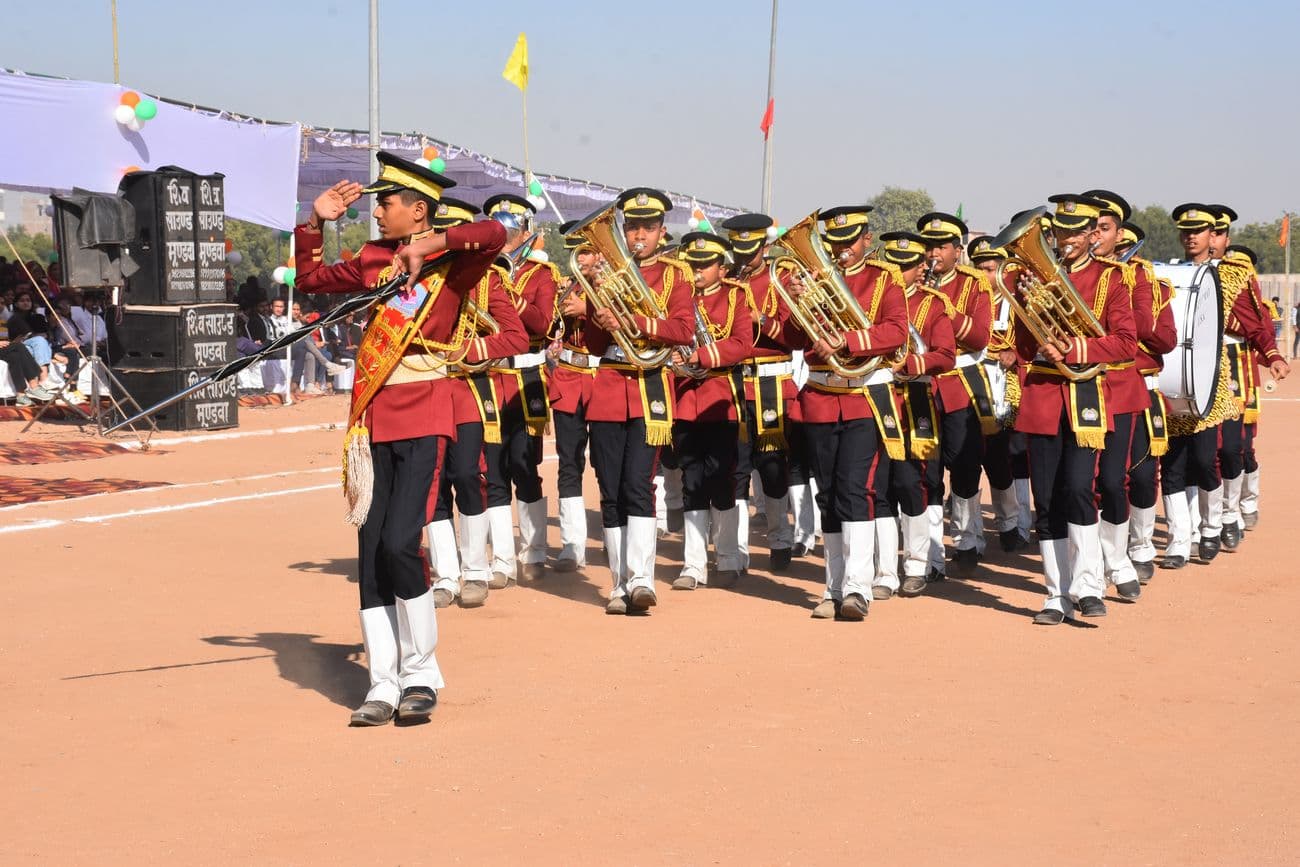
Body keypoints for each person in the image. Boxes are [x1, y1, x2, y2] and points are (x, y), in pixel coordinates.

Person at [293, 151, 506, 727]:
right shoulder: (370, 261)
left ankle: (421, 674)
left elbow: (495, 231)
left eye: (385, 203)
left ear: (417, 211)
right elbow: (311, 279)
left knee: (400, 542)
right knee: (371, 551)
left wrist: (430, 247)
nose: (377, 212)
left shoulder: (451, 267)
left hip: (425, 413)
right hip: (373, 417)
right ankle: (382, 683)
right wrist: (316, 222)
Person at [557, 188, 694, 615]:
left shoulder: (674, 275)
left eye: (647, 228)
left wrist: (631, 319)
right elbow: (598, 346)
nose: (638, 235)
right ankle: (618, 583)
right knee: (611, 488)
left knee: (639, 484)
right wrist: (591, 314)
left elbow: (683, 330)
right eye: (631, 226)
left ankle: (641, 579)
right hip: (611, 384)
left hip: (650, 383)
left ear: (660, 231)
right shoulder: (606, 272)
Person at [778, 205, 908, 621]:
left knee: (855, 490)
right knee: (828, 494)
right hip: (820, 396)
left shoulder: (884, 278)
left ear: (867, 240)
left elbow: (895, 332)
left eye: (848, 242)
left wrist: (847, 340)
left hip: (864, 398)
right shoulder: (810, 279)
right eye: (832, 243)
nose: (840, 251)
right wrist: (797, 304)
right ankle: (833, 587)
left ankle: (857, 588)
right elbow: (791, 337)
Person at [1013, 195, 1136, 625]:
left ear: (1089, 235)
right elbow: (1022, 344)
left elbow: (1125, 342)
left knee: (1080, 487)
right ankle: (1055, 594)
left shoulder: (1112, 279)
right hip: (1045, 391)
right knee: (1045, 498)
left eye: (1074, 233)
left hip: (1085, 393)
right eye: (1059, 232)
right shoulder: (1032, 278)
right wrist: (1034, 321)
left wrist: (1076, 347)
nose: (1065, 240)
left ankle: (1087, 584)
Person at [423, 197, 529, 609]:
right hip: (425, 390)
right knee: (431, 485)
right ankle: (445, 575)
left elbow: (517, 337)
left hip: (467, 390)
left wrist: (471, 347)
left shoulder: (489, 280)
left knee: (467, 474)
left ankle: (475, 570)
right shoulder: (417, 277)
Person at [1081, 189, 1166, 601]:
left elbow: (1144, 326)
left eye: (1104, 228)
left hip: (1119, 387)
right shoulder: (1065, 272)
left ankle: (1118, 558)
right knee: (1080, 484)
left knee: (1116, 481)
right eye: (1090, 228)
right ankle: (1091, 568)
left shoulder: (1137, 275)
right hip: (1075, 389)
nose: (1096, 235)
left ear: (1119, 234)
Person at [480, 193, 560, 586]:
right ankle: (502, 561)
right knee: (493, 472)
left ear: (527, 233)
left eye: (511, 231)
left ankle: (535, 551)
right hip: (492, 378)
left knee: (524, 468)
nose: (506, 238)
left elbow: (542, 324)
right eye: (499, 231)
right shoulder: (480, 272)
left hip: (527, 378)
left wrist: (509, 294)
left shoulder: (542, 275)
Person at [668, 231, 754, 590]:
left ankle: (730, 556)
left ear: (722, 267)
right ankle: (693, 564)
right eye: (693, 264)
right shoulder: (679, 298)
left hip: (721, 399)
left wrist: (701, 356)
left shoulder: (736, 296)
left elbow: (742, 344)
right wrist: (671, 356)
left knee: (724, 478)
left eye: (705, 264)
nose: (697, 270)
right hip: (686, 399)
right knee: (691, 482)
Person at [873, 231, 956, 599]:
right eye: (892, 265)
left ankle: (918, 564)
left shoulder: (933, 304)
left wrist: (911, 362)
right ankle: (885, 569)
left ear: (920, 268)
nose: (897, 273)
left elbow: (946, 355)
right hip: (877, 397)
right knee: (879, 486)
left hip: (915, 398)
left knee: (912, 483)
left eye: (905, 267)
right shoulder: (872, 301)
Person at [915, 212, 995, 580]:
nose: (933, 254)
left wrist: (945, 308)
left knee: (964, 468)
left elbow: (979, 338)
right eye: (929, 246)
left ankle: (965, 539)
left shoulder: (975, 283)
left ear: (957, 251)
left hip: (961, 381)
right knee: (926, 470)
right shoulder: (912, 282)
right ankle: (931, 554)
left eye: (941, 247)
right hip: (923, 383)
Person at [722, 212, 800, 573]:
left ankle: (780, 538)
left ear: (764, 247)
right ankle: (736, 551)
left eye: (750, 250)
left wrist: (761, 320)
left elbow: (794, 335)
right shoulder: (729, 280)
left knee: (772, 467)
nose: (743, 258)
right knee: (735, 467)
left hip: (771, 381)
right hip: (736, 379)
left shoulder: (780, 278)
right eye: (738, 250)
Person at [1114, 222, 1177, 583]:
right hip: (1099, 387)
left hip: (1142, 386)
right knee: (1105, 478)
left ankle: (1140, 546)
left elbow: (1166, 340)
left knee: (1140, 475)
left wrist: (1131, 315)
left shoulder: (1154, 287)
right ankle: (1112, 549)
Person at [968, 237, 1032, 552]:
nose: (983, 275)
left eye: (990, 269)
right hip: (971, 386)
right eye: (978, 268)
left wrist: (1015, 353)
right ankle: (971, 533)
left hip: (1006, 390)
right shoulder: (964, 299)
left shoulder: (1017, 301)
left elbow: (1036, 338)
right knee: (969, 459)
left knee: (1001, 458)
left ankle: (1009, 524)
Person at [548, 222, 601, 572]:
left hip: (603, 378)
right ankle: (572, 544)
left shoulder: (612, 289)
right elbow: (548, 327)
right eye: (578, 253)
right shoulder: (564, 287)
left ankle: (617, 533)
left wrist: (590, 308)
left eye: (589, 252)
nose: (583, 259)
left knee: (609, 465)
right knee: (569, 463)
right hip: (568, 377)